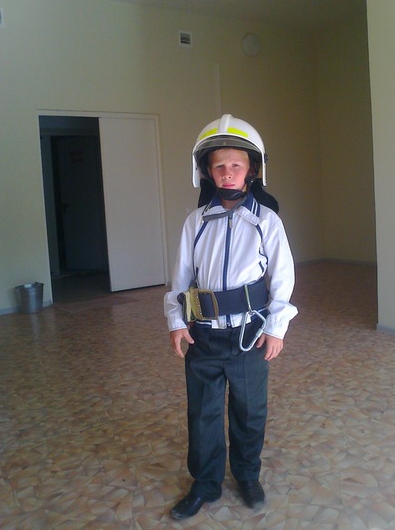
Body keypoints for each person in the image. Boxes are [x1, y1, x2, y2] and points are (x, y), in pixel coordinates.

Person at [163, 114, 298, 520]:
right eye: (219, 165)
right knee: (202, 414)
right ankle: (205, 484)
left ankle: (247, 475)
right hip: (204, 337)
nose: (227, 172)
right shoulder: (195, 223)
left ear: (252, 170)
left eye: (236, 165)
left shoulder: (266, 221)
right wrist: (176, 321)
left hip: (249, 337)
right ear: (206, 170)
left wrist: (276, 328)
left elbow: (283, 277)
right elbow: (179, 278)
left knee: (249, 412)